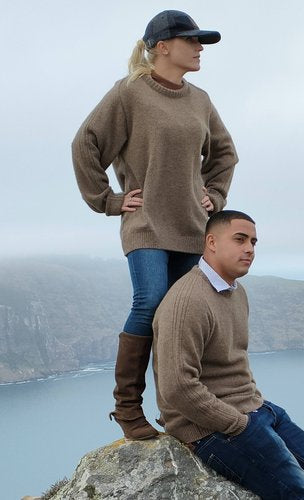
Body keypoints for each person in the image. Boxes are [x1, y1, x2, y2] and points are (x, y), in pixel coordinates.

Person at [71, 10, 238, 440]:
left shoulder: (199, 99)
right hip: (145, 222)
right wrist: (107, 200)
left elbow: (224, 154)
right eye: (193, 40)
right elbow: (85, 143)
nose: (200, 48)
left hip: (191, 226)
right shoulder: (129, 93)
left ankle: (177, 413)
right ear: (163, 46)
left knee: (177, 317)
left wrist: (215, 196)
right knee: (150, 302)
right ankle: (127, 408)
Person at [153, 211, 304, 499]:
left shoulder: (237, 293)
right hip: (211, 428)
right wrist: (237, 424)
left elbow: (233, 363)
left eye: (253, 241)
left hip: (255, 409)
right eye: (239, 239)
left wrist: (254, 410)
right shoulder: (187, 300)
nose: (249, 249)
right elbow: (177, 387)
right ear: (211, 242)